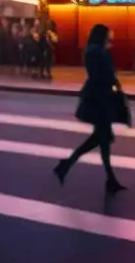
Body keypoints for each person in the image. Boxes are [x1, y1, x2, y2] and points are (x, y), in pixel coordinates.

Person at [53, 24, 127, 193]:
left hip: (98, 98)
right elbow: (105, 75)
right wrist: (114, 86)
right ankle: (68, 165)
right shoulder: (97, 52)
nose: (110, 39)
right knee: (102, 138)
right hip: (99, 100)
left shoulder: (93, 51)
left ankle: (69, 166)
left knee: (102, 139)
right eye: (108, 35)